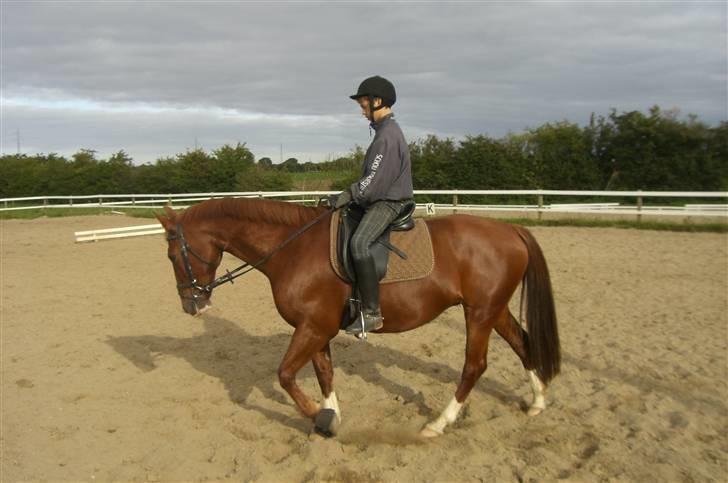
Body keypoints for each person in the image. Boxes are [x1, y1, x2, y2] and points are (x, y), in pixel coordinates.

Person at [334, 75, 414, 335]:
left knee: (359, 243)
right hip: (380, 197)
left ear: (377, 101)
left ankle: (371, 313)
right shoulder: (384, 133)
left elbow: (375, 182)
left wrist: (350, 193)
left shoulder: (387, 137)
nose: (362, 111)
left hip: (388, 202)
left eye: (363, 104)